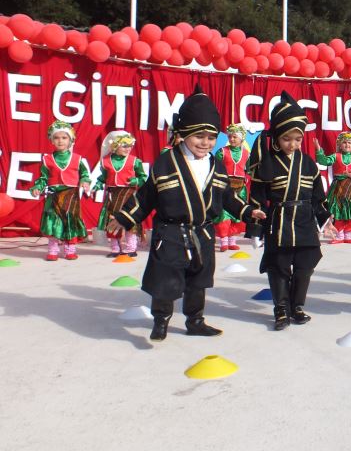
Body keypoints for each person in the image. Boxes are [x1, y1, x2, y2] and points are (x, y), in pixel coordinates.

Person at [110, 86, 265, 342]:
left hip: (202, 231)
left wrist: (247, 210)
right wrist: (126, 217)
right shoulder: (166, 161)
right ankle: (161, 321)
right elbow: (147, 195)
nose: (206, 142)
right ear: (183, 134)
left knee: (198, 281)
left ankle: (195, 321)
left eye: (211, 137)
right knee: (166, 283)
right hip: (170, 233)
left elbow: (226, 195)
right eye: (199, 136)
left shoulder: (215, 163)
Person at [246, 91, 331, 331]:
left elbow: (318, 197)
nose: (292, 144)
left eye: (297, 138)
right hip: (279, 223)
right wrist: (255, 229)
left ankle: (297, 305)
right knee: (279, 267)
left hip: (304, 222)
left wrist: (326, 221)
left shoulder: (308, 163)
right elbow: (258, 199)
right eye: (286, 139)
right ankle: (281, 309)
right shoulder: (267, 164)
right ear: (275, 137)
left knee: (306, 266)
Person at [29, 121, 92, 261]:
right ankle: (53, 250)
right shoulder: (47, 159)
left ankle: (70, 250)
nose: (60, 141)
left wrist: (84, 181)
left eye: (64, 137)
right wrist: (37, 187)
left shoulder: (78, 159)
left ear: (71, 140)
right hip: (53, 195)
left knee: (70, 221)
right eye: (56, 137)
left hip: (71, 195)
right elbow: (43, 178)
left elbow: (85, 174)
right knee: (53, 222)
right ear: (51, 140)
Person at [92, 131, 147, 258]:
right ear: (115, 146)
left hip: (129, 195)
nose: (128, 149)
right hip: (113, 196)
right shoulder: (106, 161)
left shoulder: (135, 161)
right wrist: (98, 185)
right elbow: (103, 178)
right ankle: (115, 248)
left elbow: (143, 177)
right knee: (112, 221)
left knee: (130, 221)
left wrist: (136, 181)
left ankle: (131, 248)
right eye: (124, 146)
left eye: (130, 146)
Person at [315, 132, 351, 244]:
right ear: (339, 144)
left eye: (349, 142)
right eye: (344, 142)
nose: (347, 145)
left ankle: (348, 234)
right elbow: (323, 161)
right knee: (337, 210)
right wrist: (319, 149)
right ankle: (339, 234)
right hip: (338, 187)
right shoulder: (336, 156)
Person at [214, 123, 250, 252]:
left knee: (237, 213)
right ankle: (223, 241)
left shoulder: (246, 153)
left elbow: (249, 170)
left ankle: (232, 240)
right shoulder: (222, 152)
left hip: (240, 188)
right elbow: (216, 168)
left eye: (235, 137)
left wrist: (246, 178)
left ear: (241, 138)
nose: (232, 139)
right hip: (225, 188)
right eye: (230, 136)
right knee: (224, 214)